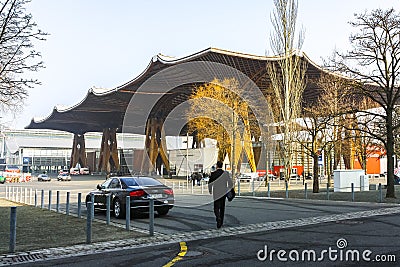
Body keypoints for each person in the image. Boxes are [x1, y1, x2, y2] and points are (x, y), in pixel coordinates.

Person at [208, 161, 233, 229]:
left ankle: (218, 217)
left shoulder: (213, 174)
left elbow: (210, 183)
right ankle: (221, 222)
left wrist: (210, 190)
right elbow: (230, 183)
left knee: (216, 207)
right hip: (223, 192)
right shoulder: (225, 173)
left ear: (217, 166)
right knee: (222, 207)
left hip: (216, 192)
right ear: (222, 166)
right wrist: (230, 190)